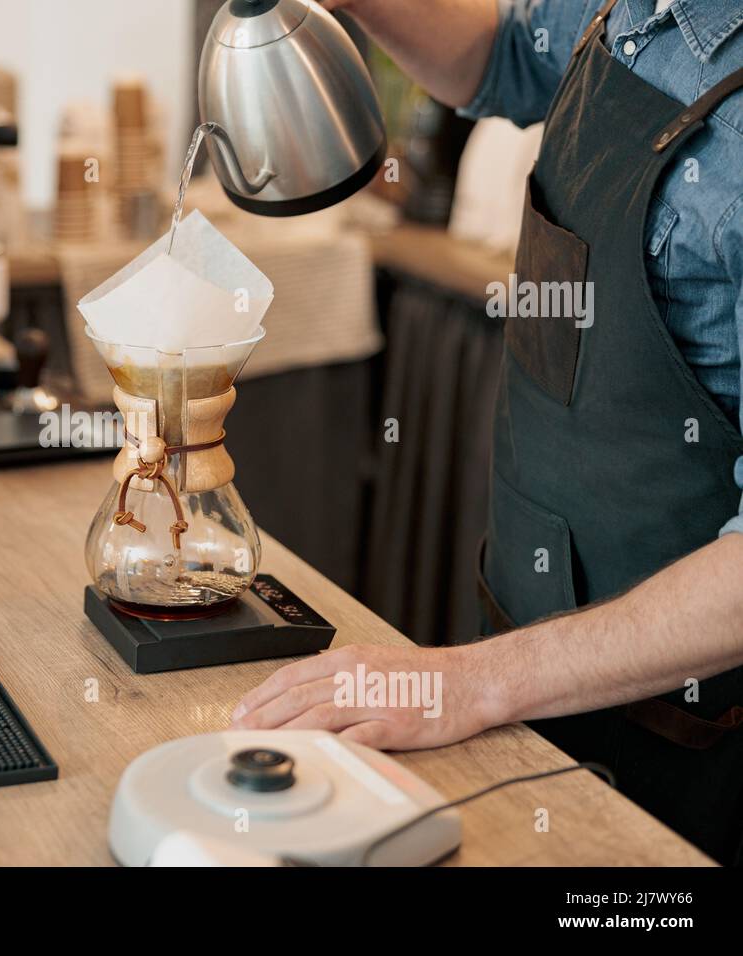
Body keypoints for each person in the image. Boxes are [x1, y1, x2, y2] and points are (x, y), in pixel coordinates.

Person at [232, 0, 743, 863]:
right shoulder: (636, 9)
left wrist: (473, 683)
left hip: (692, 752)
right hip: (523, 674)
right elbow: (501, 57)